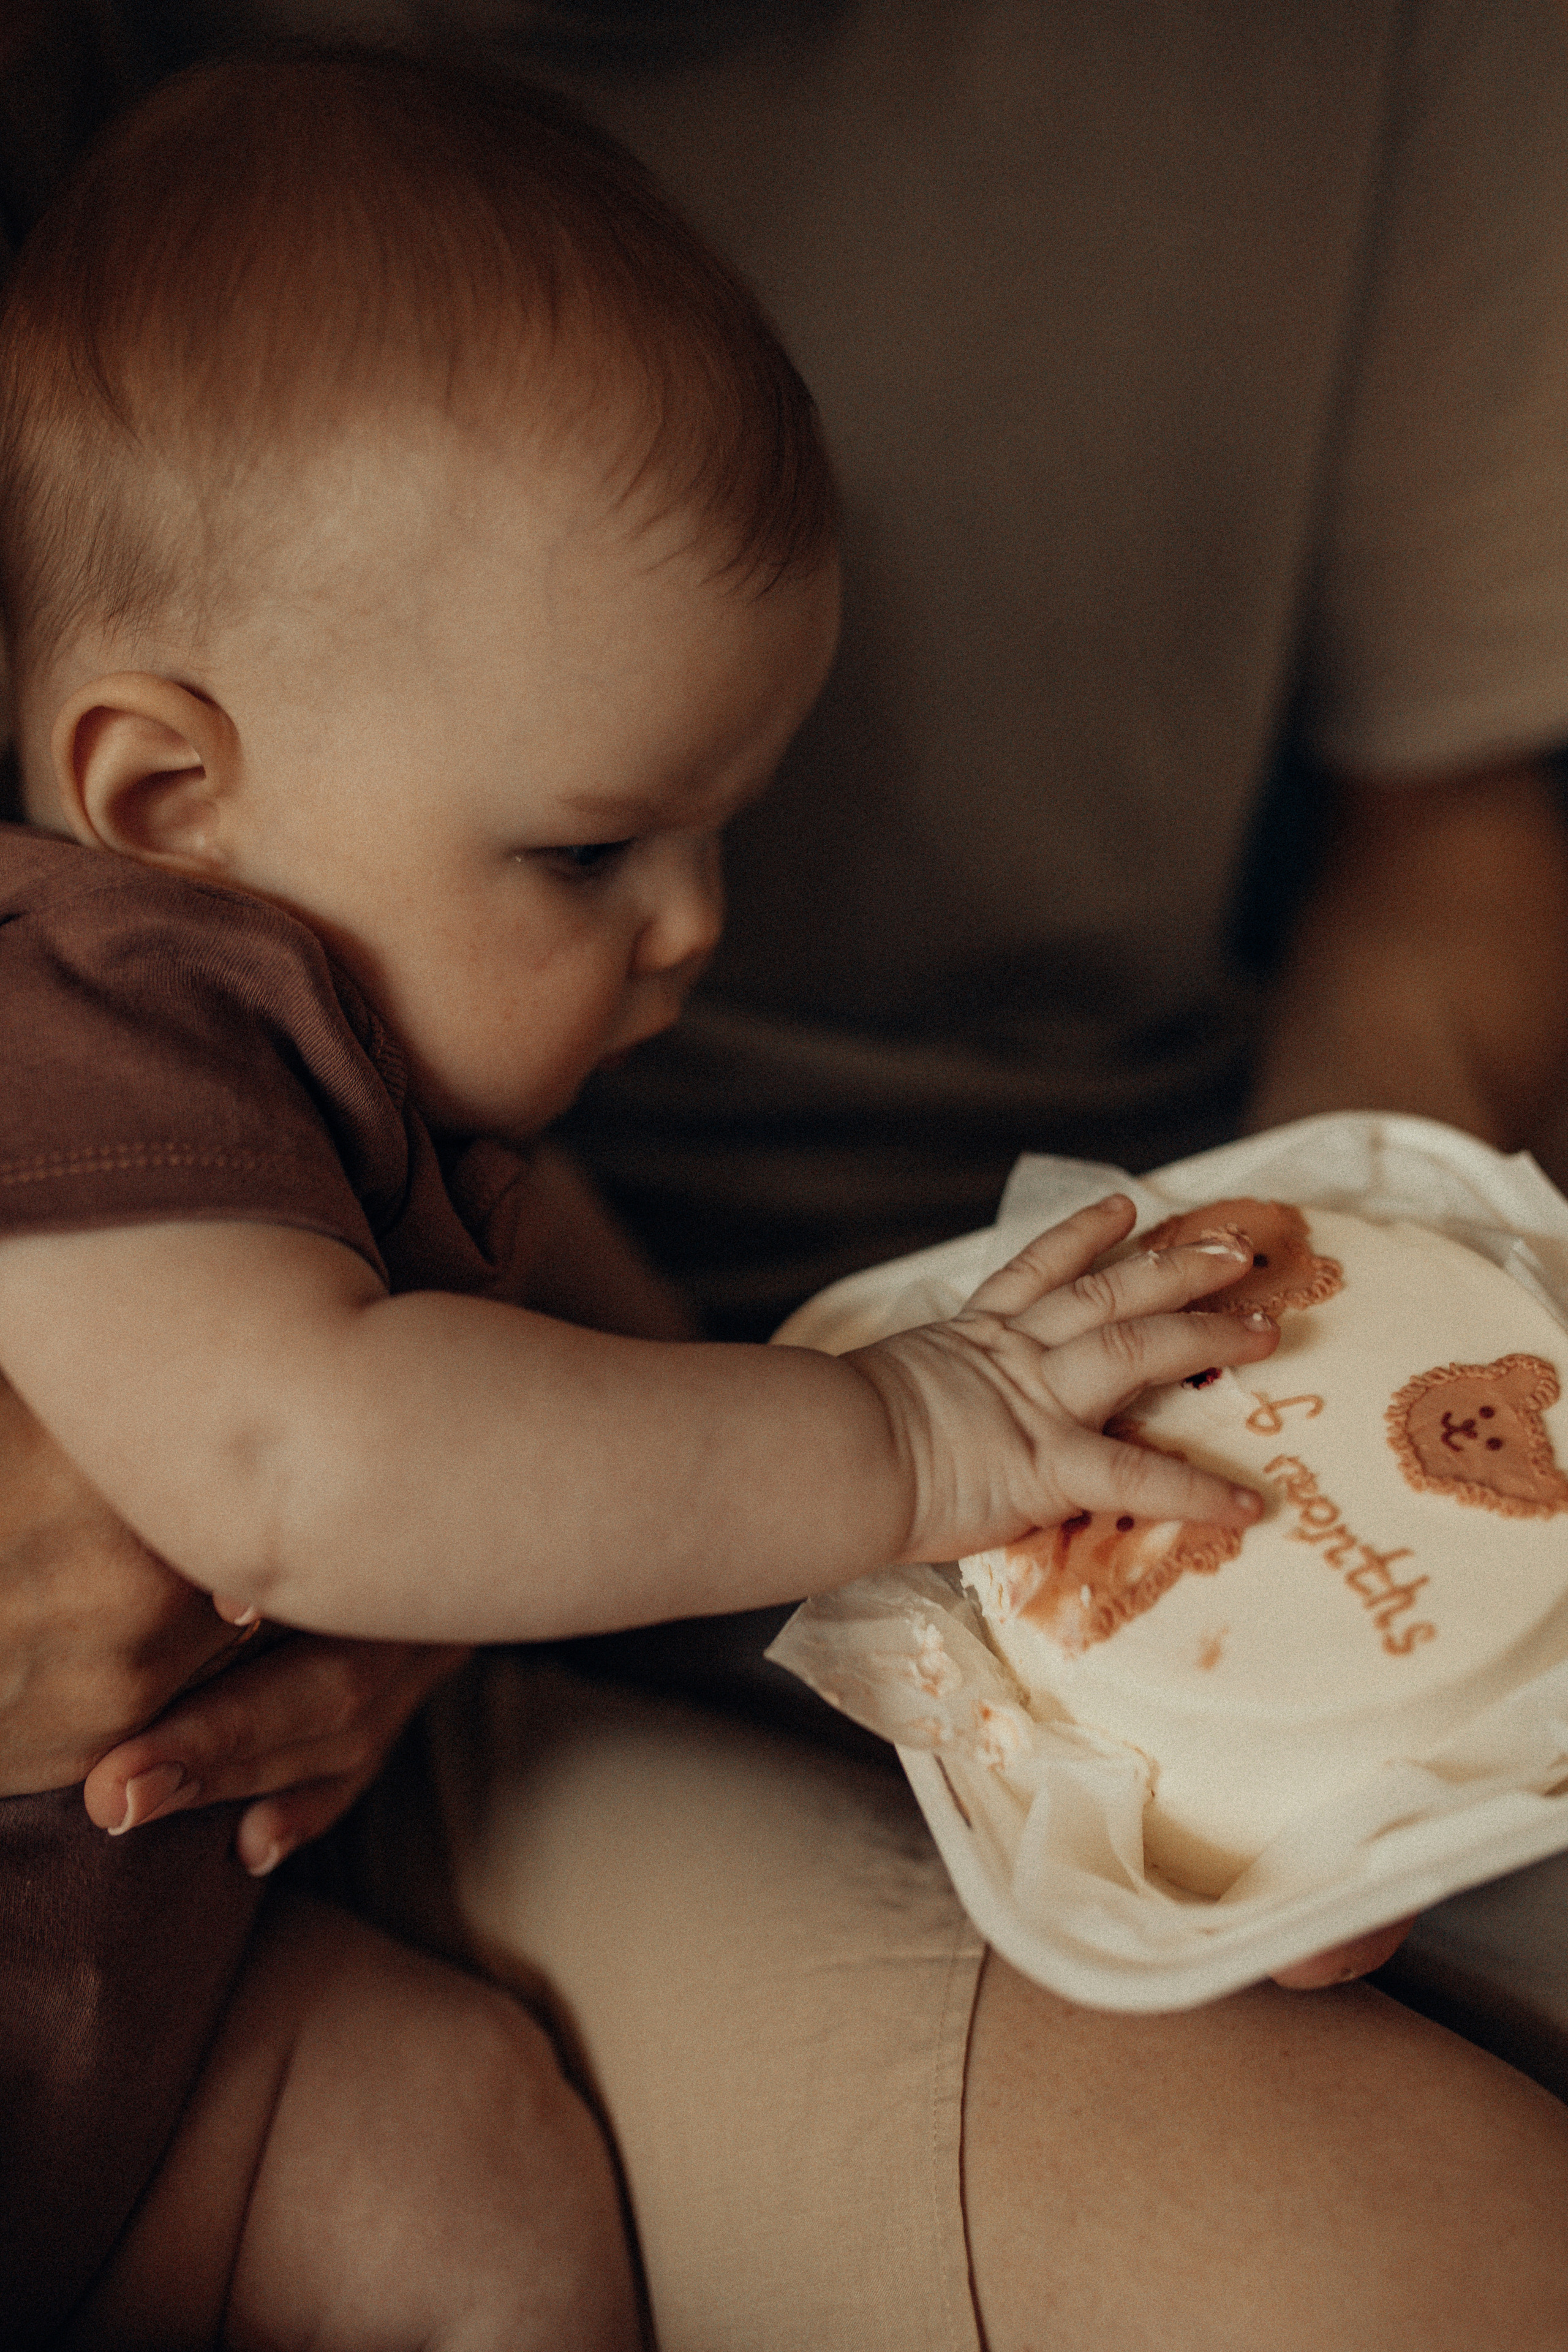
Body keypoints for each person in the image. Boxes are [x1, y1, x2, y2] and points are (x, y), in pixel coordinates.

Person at [8, 6, 1568, 2348]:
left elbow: (639, 1436)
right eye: (592, 848)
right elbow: (305, 1469)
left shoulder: (401, 1081)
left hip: (198, 2011)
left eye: (718, 826)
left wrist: (1139, 1744)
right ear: (158, 793)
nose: (696, 926)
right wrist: (910, 1436)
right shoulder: (107, 1026)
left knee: (460, 2194)